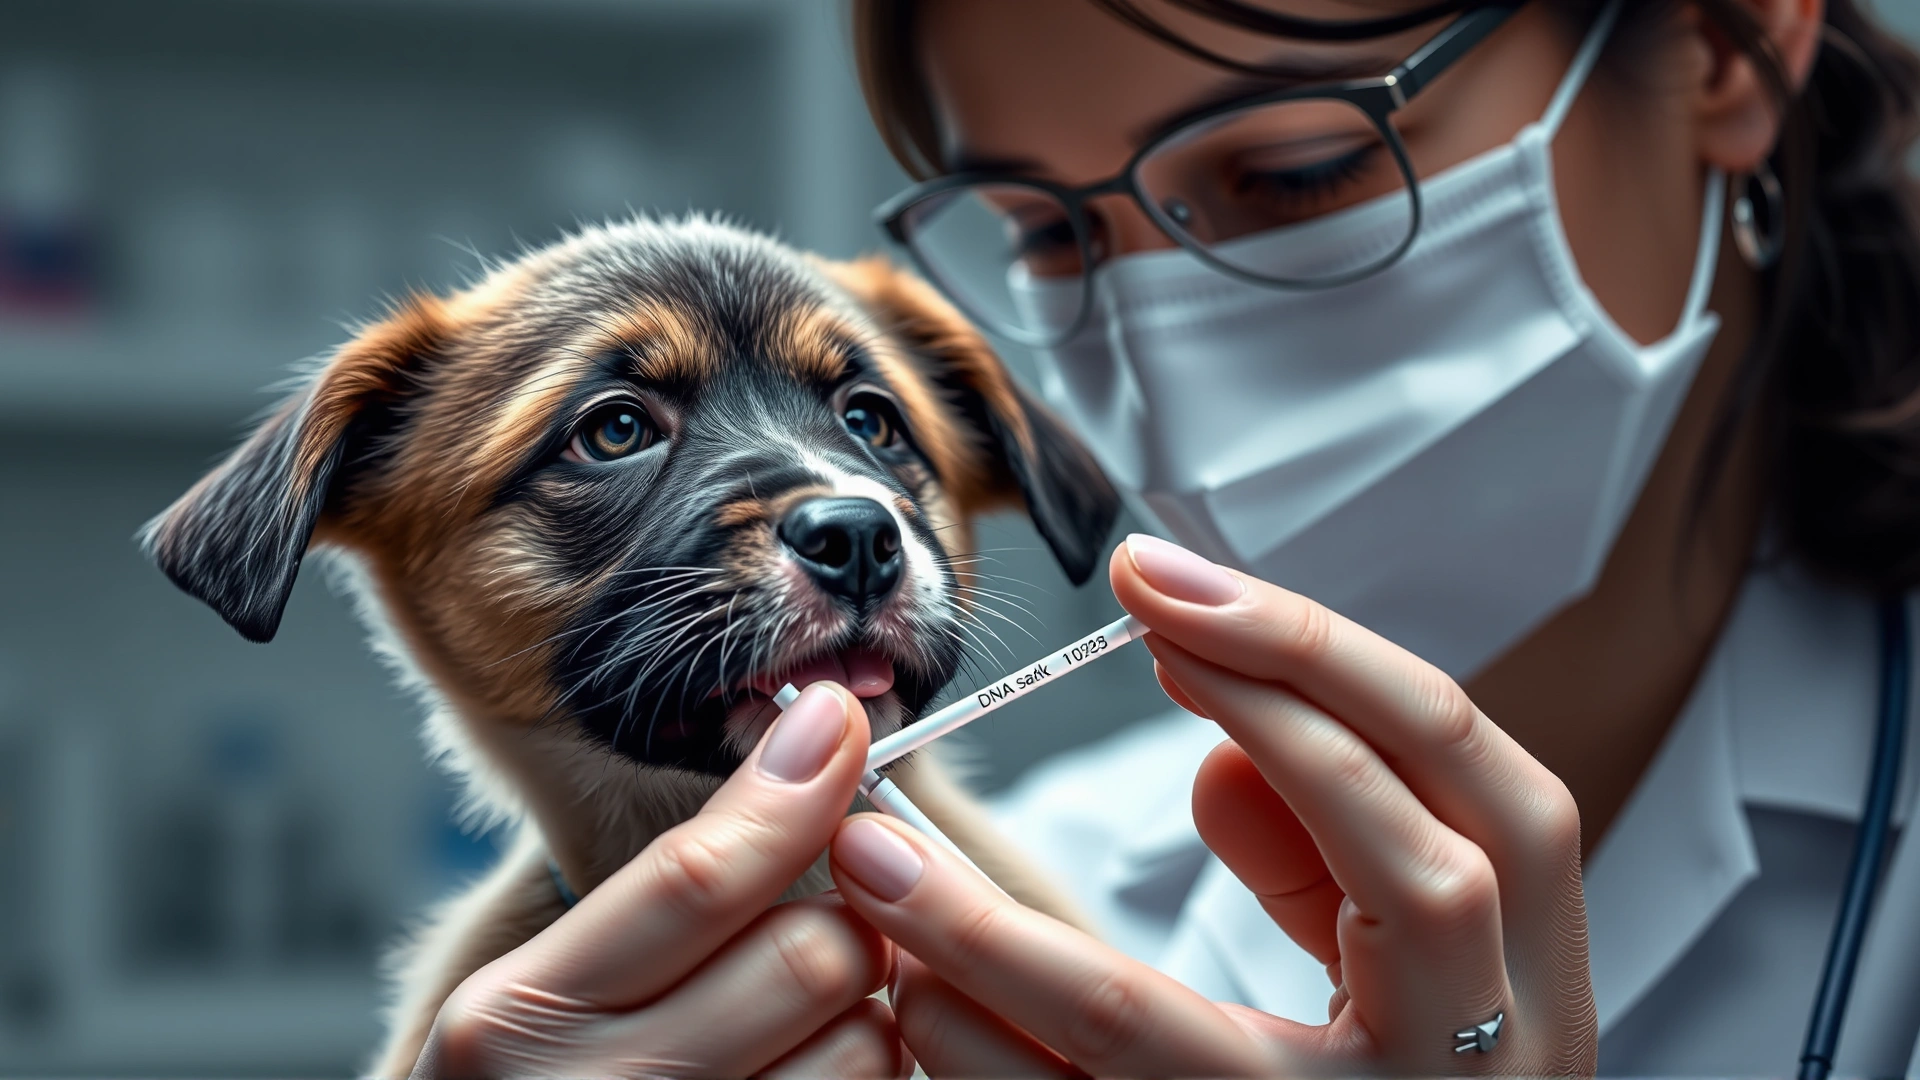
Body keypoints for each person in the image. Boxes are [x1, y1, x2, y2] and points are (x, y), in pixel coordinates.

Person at [406, 0, 1920, 1075]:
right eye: (1050, 234)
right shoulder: (1040, 903)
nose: (1169, 339)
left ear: (1721, 46)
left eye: (1297, 171)